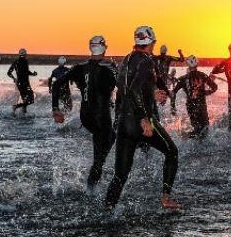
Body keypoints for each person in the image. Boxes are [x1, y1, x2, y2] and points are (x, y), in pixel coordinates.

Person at [105, 26, 180, 210]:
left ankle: (107, 210)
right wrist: (144, 118)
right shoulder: (146, 61)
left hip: (124, 122)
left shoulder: (126, 60)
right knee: (172, 152)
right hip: (141, 121)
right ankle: (166, 198)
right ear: (151, 42)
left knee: (120, 175)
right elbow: (134, 89)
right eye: (153, 43)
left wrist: (153, 92)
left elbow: (125, 89)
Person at [51, 36, 117, 191]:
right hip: (101, 115)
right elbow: (126, 85)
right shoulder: (110, 66)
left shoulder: (79, 67)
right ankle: (91, 185)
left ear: (90, 48)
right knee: (102, 150)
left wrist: (55, 109)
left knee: (108, 137)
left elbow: (56, 84)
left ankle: (96, 172)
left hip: (85, 115)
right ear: (104, 47)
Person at [171, 55, 218, 138]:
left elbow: (173, 92)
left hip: (190, 106)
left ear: (188, 65)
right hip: (201, 105)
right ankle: (189, 138)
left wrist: (173, 107)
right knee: (205, 129)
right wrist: (205, 92)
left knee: (196, 128)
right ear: (197, 64)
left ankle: (185, 137)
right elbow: (215, 87)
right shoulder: (203, 75)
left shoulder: (183, 78)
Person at [7, 48, 37, 113]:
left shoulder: (16, 61)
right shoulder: (25, 61)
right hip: (25, 83)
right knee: (31, 100)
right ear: (25, 54)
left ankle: (23, 116)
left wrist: (14, 78)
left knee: (25, 100)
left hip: (19, 84)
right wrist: (33, 74)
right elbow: (26, 72)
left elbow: (9, 73)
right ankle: (16, 107)